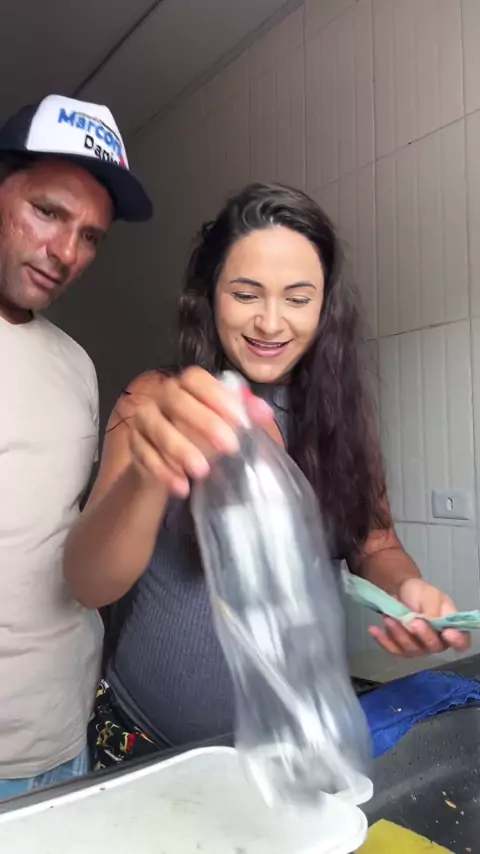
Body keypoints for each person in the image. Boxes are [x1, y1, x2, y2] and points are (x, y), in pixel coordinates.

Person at [64, 183, 470, 770]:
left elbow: (376, 542)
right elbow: (88, 585)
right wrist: (148, 475)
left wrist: (406, 590)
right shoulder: (157, 400)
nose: (271, 322)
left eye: (297, 298)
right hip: (149, 754)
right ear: (210, 296)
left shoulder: (342, 416)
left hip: (292, 756)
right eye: (245, 294)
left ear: (325, 305)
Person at [0, 94, 152, 797]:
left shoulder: (77, 365)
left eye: (90, 236)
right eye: (48, 212)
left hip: (66, 739)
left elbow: (69, 548)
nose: (66, 253)